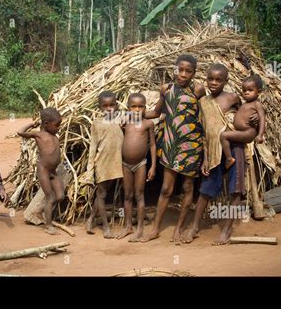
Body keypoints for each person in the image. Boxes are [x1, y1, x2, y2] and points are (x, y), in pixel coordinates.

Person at [182, 64, 258, 245]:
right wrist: (205, 159)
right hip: (213, 150)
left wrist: (255, 118)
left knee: (236, 189)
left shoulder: (233, 97)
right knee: (205, 189)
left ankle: (227, 229)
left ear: (226, 81)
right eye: (210, 79)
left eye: (218, 80)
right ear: (206, 79)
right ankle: (194, 226)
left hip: (234, 147)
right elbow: (205, 132)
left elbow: (246, 113)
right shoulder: (203, 102)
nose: (214, 83)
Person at [141, 54, 205, 243]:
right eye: (180, 69)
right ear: (174, 69)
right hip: (170, 145)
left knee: (187, 187)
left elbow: (208, 113)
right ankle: (155, 229)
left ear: (194, 73)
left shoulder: (198, 90)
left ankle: (178, 229)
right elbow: (156, 112)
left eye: (188, 71)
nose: (183, 74)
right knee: (166, 189)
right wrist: (134, 115)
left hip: (192, 145)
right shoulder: (166, 89)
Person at [82, 91, 124, 239]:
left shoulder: (122, 119)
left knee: (102, 193)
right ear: (100, 107)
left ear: (116, 105)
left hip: (116, 163)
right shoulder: (97, 123)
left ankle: (90, 220)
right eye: (105, 106)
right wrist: (89, 173)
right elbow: (92, 149)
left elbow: (143, 116)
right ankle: (106, 227)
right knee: (102, 194)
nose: (109, 109)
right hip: (102, 163)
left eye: (112, 105)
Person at [116, 93, 156, 242]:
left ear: (145, 108)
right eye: (134, 106)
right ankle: (128, 226)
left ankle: (139, 228)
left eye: (141, 106)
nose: (137, 110)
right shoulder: (124, 123)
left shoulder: (148, 124)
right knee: (127, 195)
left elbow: (152, 145)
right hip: (125, 164)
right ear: (128, 108)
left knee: (139, 195)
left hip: (141, 164)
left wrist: (153, 166)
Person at [17, 107, 64, 235]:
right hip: (44, 171)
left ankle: (43, 213)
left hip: (53, 172)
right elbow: (20, 132)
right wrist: (32, 124)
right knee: (51, 198)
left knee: (60, 196)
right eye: (56, 125)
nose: (58, 127)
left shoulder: (54, 135)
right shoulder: (38, 134)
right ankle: (48, 226)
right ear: (46, 124)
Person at [220, 74, 265, 169]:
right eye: (244, 90)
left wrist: (260, 135)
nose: (246, 93)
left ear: (259, 92)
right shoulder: (245, 103)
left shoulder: (257, 104)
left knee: (224, 136)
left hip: (248, 132)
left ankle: (229, 158)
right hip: (242, 132)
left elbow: (262, 119)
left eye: (250, 90)